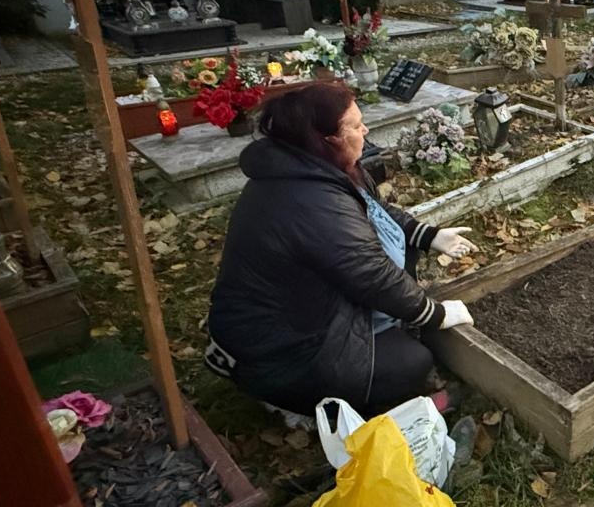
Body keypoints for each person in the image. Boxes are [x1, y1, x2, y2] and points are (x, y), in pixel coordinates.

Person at [204, 84, 478, 419]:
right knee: (412, 362)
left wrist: (428, 235)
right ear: (327, 137)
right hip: (280, 349)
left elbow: (374, 210)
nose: (365, 130)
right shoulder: (308, 199)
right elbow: (371, 273)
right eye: (355, 125)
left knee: (404, 291)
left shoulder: (312, 167)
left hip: (308, 313)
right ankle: (297, 405)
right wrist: (435, 314)